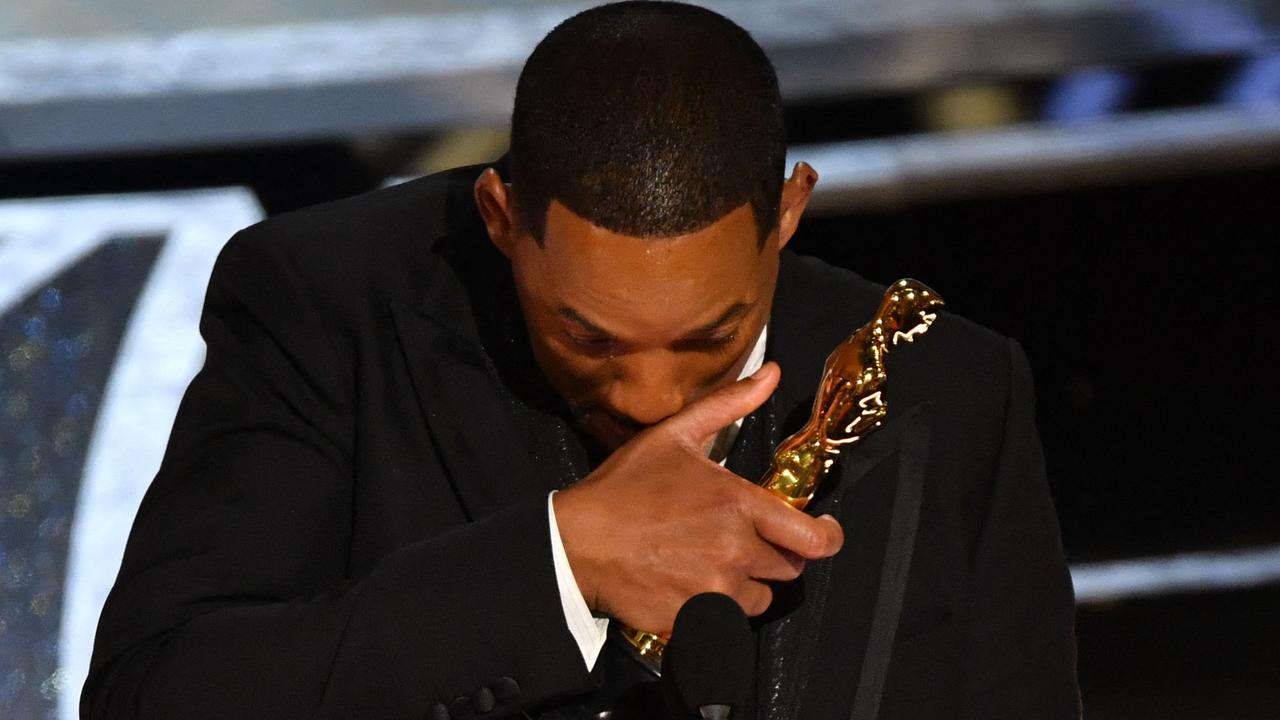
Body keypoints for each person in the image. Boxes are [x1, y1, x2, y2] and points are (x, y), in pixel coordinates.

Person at [83, 2, 1080, 718]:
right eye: (587, 338)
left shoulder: (949, 384)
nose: (648, 395)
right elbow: (159, 689)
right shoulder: (326, 305)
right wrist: (561, 561)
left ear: (786, 215)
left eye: (707, 338)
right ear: (499, 218)